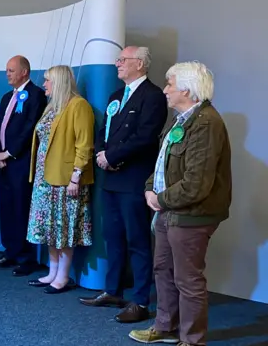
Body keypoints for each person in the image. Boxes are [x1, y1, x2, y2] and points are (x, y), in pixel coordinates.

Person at [129, 61, 231, 346]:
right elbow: (162, 163)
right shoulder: (182, 119)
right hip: (169, 212)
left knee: (188, 280)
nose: (165, 90)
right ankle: (165, 326)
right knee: (163, 270)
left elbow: (196, 184)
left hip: (191, 215)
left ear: (186, 89)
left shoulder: (207, 123)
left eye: (170, 84)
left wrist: (158, 199)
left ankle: (192, 340)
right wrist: (151, 188)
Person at [79, 46, 168, 323]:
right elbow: (105, 130)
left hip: (133, 179)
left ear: (139, 64)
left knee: (138, 241)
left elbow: (145, 137)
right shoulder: (116, 96)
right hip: (111, 179)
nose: (117, 64)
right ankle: (113, 291)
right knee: (113, 238)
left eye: (122, 60)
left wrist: (113, 157)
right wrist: (103, 155)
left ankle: (140, 301)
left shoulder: (153, 96)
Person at [25, 65, 94, 293]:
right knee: (50, 229)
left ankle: (63, 276)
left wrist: (76, 176)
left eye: (48, 80)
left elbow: (84, 145)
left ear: (59, 82)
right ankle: (52, 272)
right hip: (46, 179)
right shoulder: (52, 107)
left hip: (65, 180)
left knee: (63, 228)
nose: (44, 85)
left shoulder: (79, 106)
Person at [0, 55, 47, 276]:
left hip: (20, 162)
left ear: (24, 72)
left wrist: (9, 153)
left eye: (11, 70)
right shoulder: (6, 97)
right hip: (1, 162)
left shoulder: (36, 95)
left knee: (22, 208)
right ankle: (10, 251)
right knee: (7, 207)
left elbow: (30, 129)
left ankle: (26, 257)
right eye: (6, 70)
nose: (7, 74)